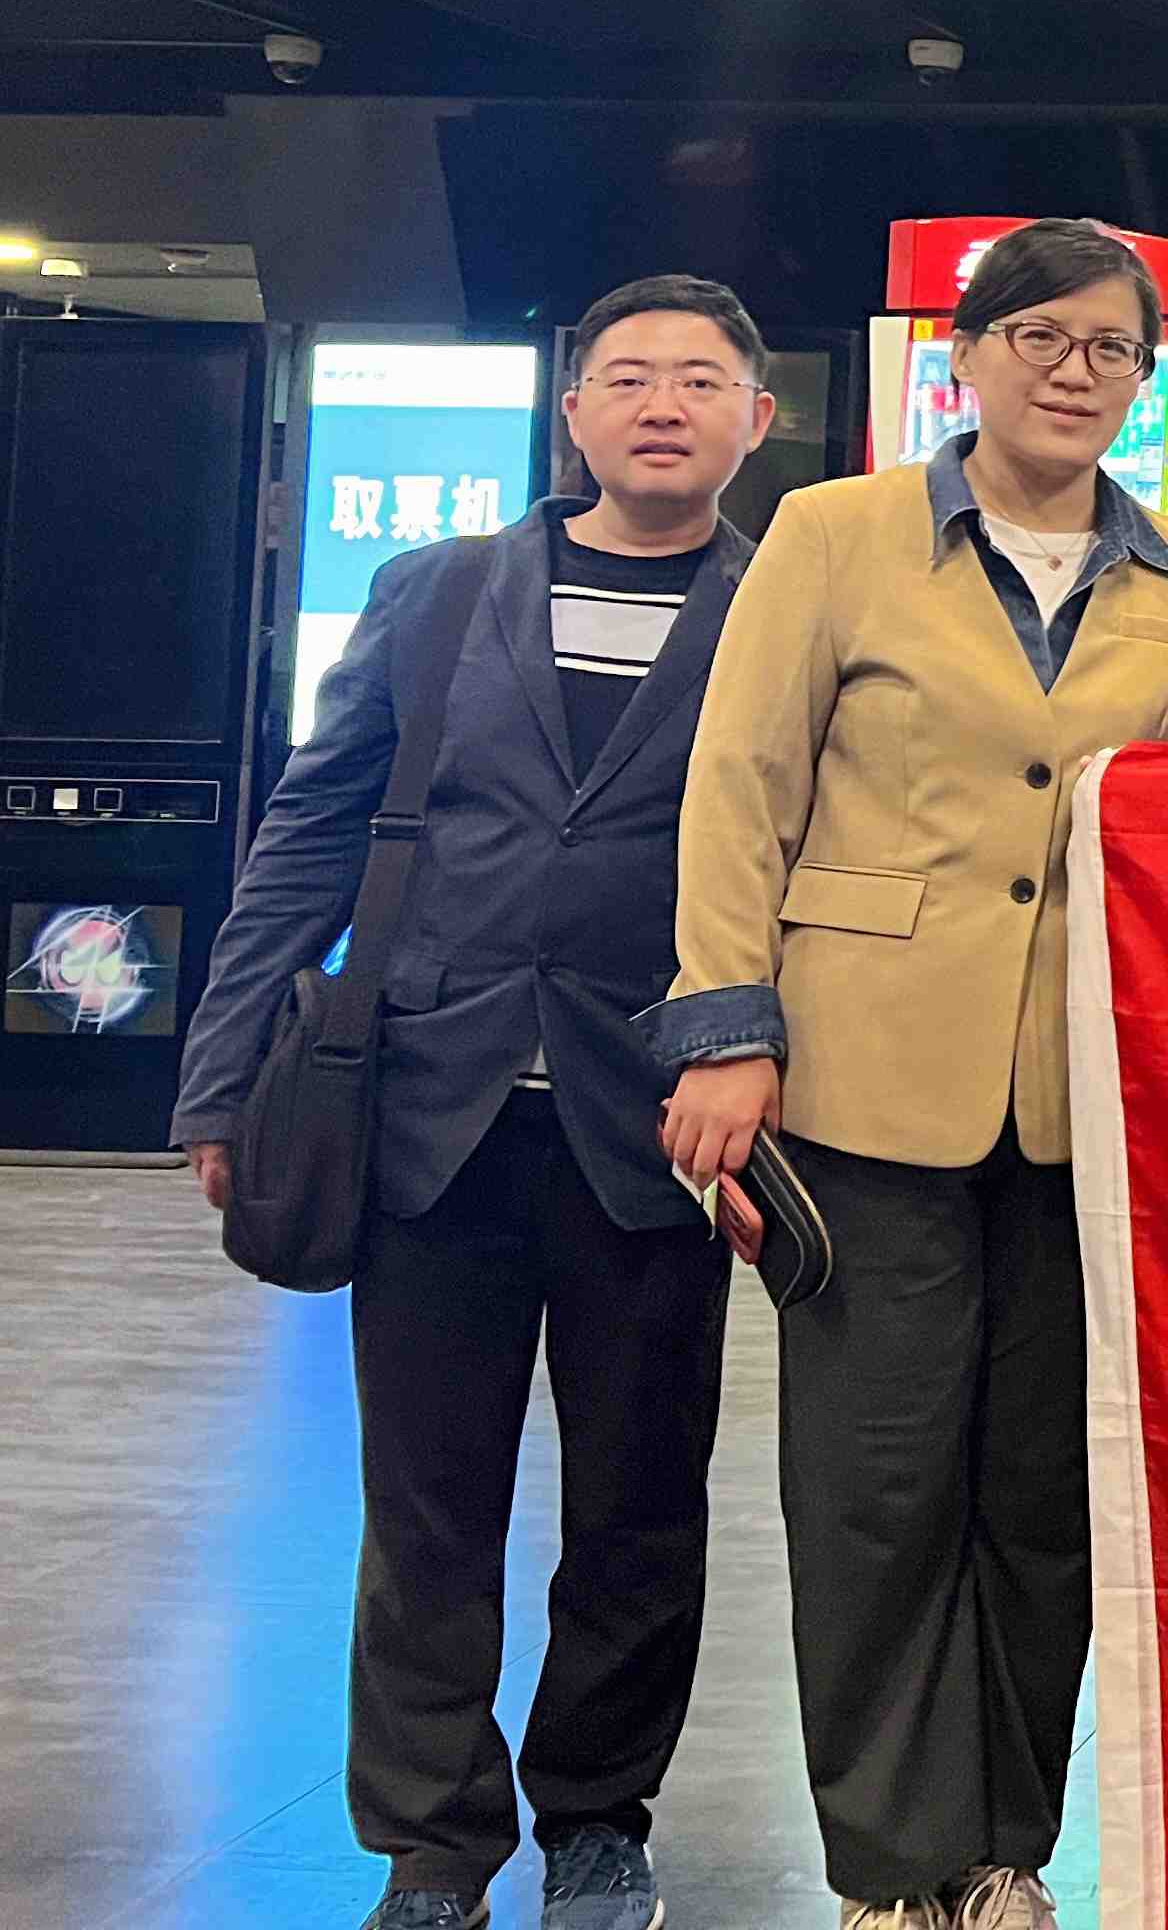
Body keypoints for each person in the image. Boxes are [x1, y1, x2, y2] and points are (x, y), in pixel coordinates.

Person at [651, 220, 1168, 1930]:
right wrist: (725, 1026)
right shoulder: (835, 534)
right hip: (862, 1084)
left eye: (1111, 348)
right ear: (966, 355)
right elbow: (740, 781)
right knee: (875, 1489)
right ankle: (887, 1861)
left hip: (1090, 1108)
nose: (1075, 371)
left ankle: (1004, 1847)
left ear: (1149, 383)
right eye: (1038, 336)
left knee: (1043, 1495)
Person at [173, 276, 778, 1930]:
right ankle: (434, 1843)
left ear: (755, 417)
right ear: (573, 411)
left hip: (657, 1126)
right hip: (432, 1113)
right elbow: (311, 828)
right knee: (426, 1502)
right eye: (628, 377)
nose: (663, 404)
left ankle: (597, 1816)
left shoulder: (784, 608)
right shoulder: (437, 592)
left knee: (640, 1503)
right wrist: (219, 1074)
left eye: (700, 379)